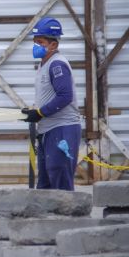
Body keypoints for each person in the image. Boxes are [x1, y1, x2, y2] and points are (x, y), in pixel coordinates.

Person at [21, 17, 81, 191]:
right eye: (35, 42)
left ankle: (67, 218)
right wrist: (34, 111)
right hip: (49, 130)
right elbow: (48, 95)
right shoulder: (44, 64)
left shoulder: (57, 65)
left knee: (60, 180)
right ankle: (46, 218)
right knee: (45, 183)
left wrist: (40, 113)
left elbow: (65, 96)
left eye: (40, 42)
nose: (35, 46)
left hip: (62, 129)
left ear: (53, 45)